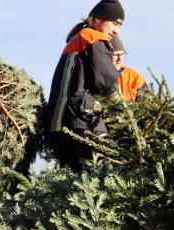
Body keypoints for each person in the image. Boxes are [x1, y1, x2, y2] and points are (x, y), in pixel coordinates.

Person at [44, 0, 124, 172]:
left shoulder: (77, 38)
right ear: (97, 20)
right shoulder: (92, 37)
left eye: (120, 26)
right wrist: (123, 112)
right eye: (114, 23)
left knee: (80, 177)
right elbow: (107, 83)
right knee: (117, 166)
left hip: (56, 125)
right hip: (78, 122)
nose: (117, 30)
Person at [110, 36, 147, 101]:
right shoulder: (99, 76)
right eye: (115, 55)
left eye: (122, 54)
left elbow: (146, 103)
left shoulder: (134, 76)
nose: (120, 59)